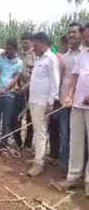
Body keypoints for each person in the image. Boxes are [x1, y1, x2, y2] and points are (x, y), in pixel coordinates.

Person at [58, 23, 89, 196]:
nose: (86, 39)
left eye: (88, 36)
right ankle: (73, 176)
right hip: (77, 105)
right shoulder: (82, 56)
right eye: (85, 36)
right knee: (75, 142)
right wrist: (69, 95)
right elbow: (74, 80)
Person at [27, 32, 60, 177]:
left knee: (41, 132)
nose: (33, 48)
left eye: (35, 45)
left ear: (43, 43)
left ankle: (39, 163)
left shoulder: (51, 59)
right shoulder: (40, 59)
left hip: (43, 101)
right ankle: (37, 157)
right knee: (37, 130)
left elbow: (55, 81)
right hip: (34, 99)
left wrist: (51, 102)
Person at [57, 23, 84, 170]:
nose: (71, 35)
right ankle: (66, 166)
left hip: (82, 104)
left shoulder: (85, 54)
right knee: (65, 135)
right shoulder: (64, 58)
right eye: (69, 33)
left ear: (82, 34)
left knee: (79, 138)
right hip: (65, 103)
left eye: (74, 32)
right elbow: (60, 79)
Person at [0, 38, 23, 149]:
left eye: (10, 49)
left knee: (6, 119)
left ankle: (3, 142)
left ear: (15, 50)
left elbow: (15, 78)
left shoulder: (19, 63)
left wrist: (5, 90)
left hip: (9, 95)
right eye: (7, 48)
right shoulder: (0, 59)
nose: (8, 50)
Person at [13, 32, 35, 150]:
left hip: (31, 91)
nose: (25, 45)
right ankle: (19, 143)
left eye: (27, 42)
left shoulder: (34, 56)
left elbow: (35, 76)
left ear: (32, 42)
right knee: (17, 118)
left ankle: (27, 144)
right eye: (23, 42)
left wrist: (25, 87)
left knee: (30, 119)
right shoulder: (21, 56)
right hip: (20, 91)